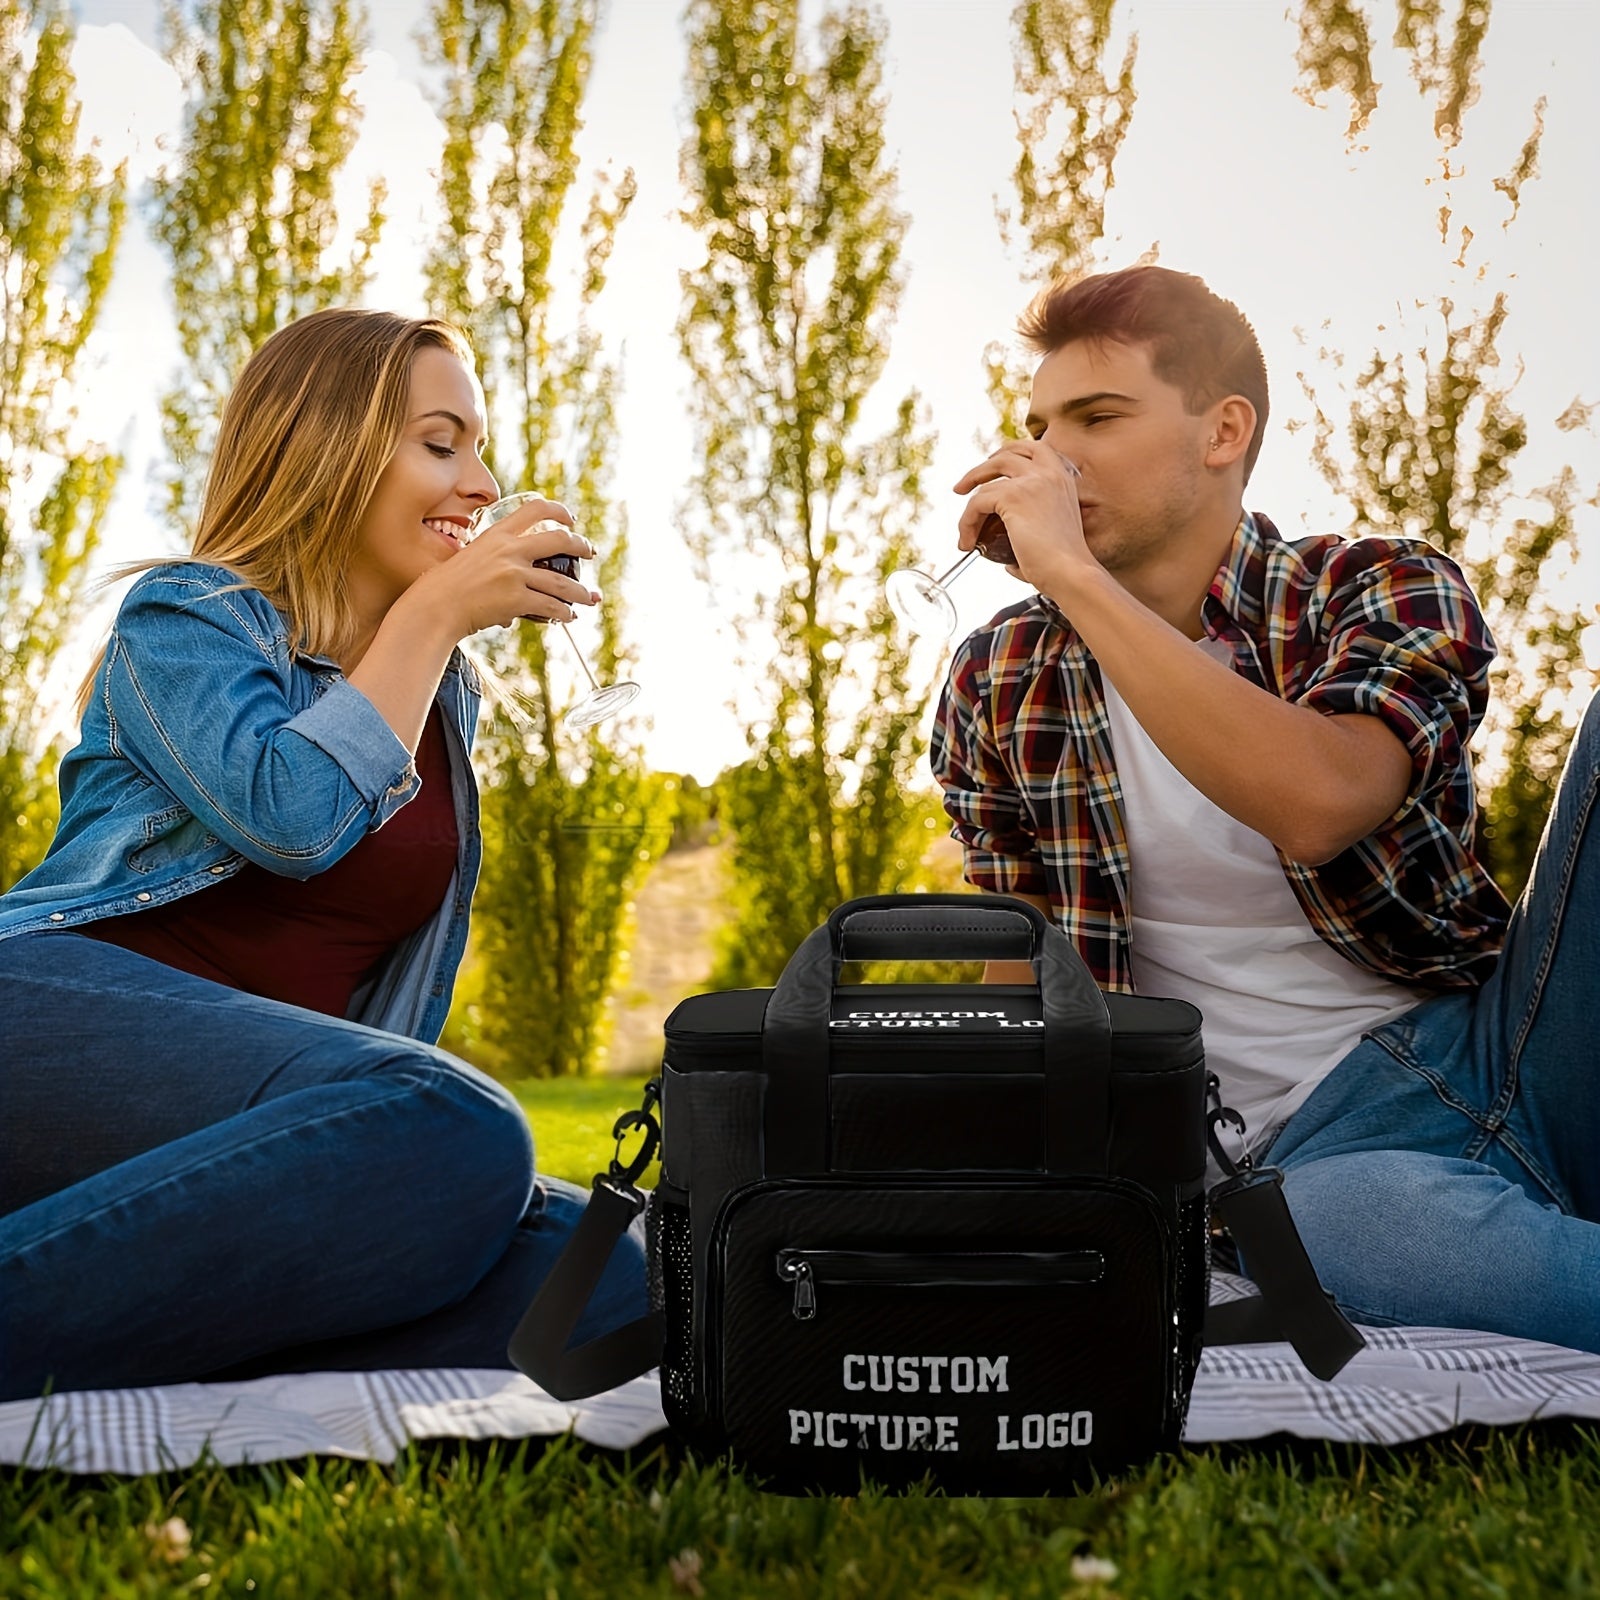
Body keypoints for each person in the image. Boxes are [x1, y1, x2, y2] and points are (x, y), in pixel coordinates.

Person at [931, 264, 1600, 1353]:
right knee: (1324, 1230)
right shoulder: (998, 677)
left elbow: (1324, 801)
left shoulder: (1374, 586)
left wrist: (1077, 580)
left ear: (1223, 431)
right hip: (1310, 1166)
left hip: (1501, 1052)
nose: (1052, 457)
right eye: (1041, 425)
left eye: (1098, 417)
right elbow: (1030, 981)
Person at [0, 308, 646, 1402]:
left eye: (480, 449)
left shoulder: (442, 700)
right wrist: (434, 615)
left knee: (609, 1279)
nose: (482, 484)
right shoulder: (187, 617)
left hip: (248, 1119)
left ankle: (122, 1325)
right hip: (43, 1030)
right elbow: (291, 818)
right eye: (441, 443)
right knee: (462, 1126)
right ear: (327, 451)